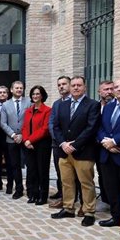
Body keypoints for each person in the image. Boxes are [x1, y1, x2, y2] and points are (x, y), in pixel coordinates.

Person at [51, 76, 100, 226]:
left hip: (83, 151)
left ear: (85, 87)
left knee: (86, 182)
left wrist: (76, 144)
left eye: (79, 85)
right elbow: (56, 126)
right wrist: (63, 143)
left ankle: (89, 211)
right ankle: (68, 208)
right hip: (64, 151)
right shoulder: (63, 105)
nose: (76, 88)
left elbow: (91, 128)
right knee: (66, 182)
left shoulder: (93, 105)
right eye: (73, 85)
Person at [96, 78, 120, 227]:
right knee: (111, 188)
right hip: (107, 154)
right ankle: (116, 217)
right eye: (116, 87)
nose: (117, 89)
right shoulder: (108, 107)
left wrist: (115, 141)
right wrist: (106, 143)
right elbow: (100, 128)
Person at [22, 85, 52, 206]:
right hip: (29, 145)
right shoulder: (28, 111)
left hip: (42, 144)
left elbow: (45, 129)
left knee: (42, 170)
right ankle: (33, 194)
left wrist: (30, 140)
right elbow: (24, 127)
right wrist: (25, 140)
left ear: (42, 95)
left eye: (37, 94)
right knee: (32, 170)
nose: (35, 96)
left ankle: (42, 196)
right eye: (33, 94)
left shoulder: (47, 110)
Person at [0, 81, 31, 199]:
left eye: (21, 88)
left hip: (26, 138)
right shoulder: (5, 105)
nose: (19, 90)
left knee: (30, 165)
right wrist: (13, 135)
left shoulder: (29, 102)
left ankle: (30, 188)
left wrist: (22, 135)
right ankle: (19, 189)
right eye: (17, 88)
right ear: (11, 90)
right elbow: (3, 123)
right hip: (11, 140)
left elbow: (30, 121)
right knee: (15, 165)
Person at [48, 76, 71, 207]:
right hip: (58, 143)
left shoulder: (75, 102)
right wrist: (58, 140)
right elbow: (52, 123)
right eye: (59, 85)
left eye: (64, 84)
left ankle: (74, 198)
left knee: (74, 173)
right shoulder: (57, 103)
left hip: (72, 144)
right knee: (60, 171)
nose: (61, 87)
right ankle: (63, 195)